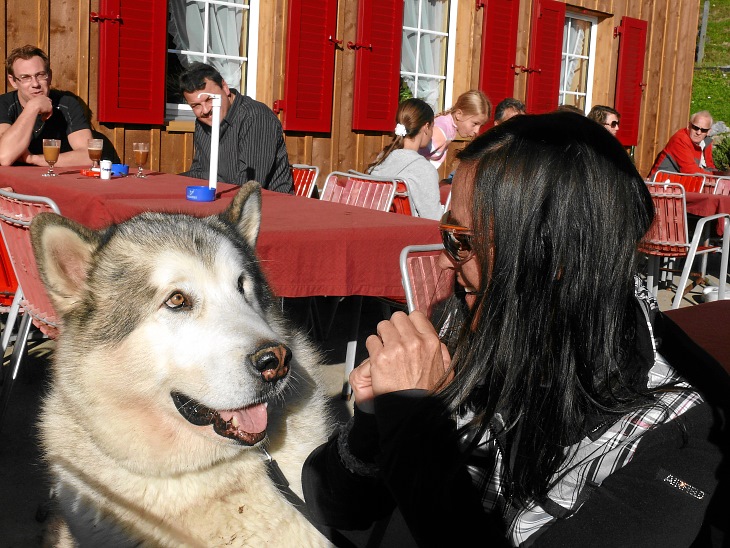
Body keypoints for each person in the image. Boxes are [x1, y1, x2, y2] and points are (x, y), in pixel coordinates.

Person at [302, 112, 723, 547]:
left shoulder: (678, 434)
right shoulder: (472, 315)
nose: (446, 259)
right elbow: (333, 506)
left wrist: (416, 423)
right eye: (447, 232)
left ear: (554, 258)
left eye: (460, 239)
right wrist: (373, 422)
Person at [179, 62, 293, 193]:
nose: (205, 110)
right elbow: (199, 173)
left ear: (225, 87)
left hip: (267, 205)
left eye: (210, 99)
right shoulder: (204, 121)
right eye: (196, 106)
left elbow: (250, 184)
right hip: (220, 200)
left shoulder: (256, 117)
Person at [0, 45, 92, 167]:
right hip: (13, 182)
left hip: (56, 180)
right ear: (13, 81)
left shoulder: (66, 104)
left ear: (50, 76)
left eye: (40, 75)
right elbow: (5, 157)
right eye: (25, 77)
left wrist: (34, 159)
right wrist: (33, 107)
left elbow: (89, 157)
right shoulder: (4, 104)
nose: (35, 84)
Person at [367, 99, 442, 220]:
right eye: (432, 127)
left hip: (375, 225)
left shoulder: (382, 158)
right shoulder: (424, 169)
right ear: (426, 127)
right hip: (409, 234)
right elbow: (433, 218)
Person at [418, 90, 491, 169]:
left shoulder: (448, 129)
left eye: (481, 125)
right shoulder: (441, 131)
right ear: (458, 114)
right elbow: (413, 156)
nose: (477, 131)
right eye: (475, 124)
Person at [649, 111, 718, 178]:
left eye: (703, 130)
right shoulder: (680, 140)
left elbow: (710, 167)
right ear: (689, 126)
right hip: (661, 184)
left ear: (708, 132)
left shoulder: (706, 142)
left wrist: (718, 176)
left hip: (686, 184)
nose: (698, 132)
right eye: (695, 128)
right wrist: (713, 177)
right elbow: (691, 172)